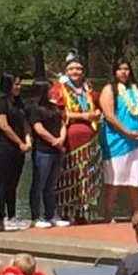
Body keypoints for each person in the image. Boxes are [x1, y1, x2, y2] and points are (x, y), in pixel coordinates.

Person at [99, 59, 138, 223]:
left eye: (126, 69)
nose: (124, 72)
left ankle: (135, 213)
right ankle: (108, 214)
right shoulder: (109, 89)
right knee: (114, 179)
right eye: (120, 69)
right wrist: (126, 131)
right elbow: (109, 116)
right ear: (114, 71)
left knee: (135, 179)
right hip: (117, 141)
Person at [52, 53, 101, 224]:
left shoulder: (88, 88)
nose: (76, 71)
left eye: (79, 68)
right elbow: (59, 113)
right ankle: (65, 210)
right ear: (66, 70)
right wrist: (83, 116)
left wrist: (95, 114)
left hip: (89, 138)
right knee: (69, 173)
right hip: (70, 137)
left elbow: (98, 105)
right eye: (72, 68)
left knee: (85, 175)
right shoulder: (59, 88)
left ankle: (82, 210)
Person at [0, 73, 31, 231]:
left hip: (19, 149)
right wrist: (19, 142)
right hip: (4, 147)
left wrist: (27, 140)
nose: (19, 87)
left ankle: (13, 216)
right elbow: (4, 126)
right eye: (16, 84)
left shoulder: (20, 103)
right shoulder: (0, 103)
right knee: (3, 183)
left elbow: (26, 123)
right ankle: (2, 218)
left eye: (20, 84)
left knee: (14, 184)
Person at [27, 79, 66, 229]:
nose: (53, 91)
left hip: (57, 149)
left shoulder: (53, 106)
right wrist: (53, 141)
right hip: (43, 150)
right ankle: (36, 216)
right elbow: (38, 128)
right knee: (39, 184)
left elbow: (62, 123)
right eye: (50, 89)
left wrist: (61, 139)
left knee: (51, 184)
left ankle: (51, 214)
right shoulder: (34, 108)